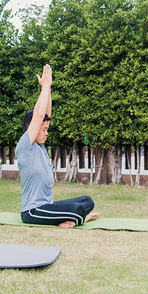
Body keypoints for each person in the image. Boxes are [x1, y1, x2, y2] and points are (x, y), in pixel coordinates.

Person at [15, 64, 99, 228]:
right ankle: (80, 218)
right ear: (32, 128)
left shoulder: (39, 147)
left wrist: (49, 88)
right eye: (43, 130)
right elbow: (39, 115)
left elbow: (46, 114)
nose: (46, 133)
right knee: (77, 209)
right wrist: (44, 86)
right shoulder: (26, 145)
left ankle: (72, 217)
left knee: (87, 201)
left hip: (48, 206)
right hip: (33, 211)